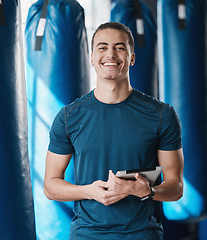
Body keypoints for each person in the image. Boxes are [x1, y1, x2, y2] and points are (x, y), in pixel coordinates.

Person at [44, 22, 184, 240]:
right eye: (102, 47)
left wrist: (148, 191)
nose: (111, 54)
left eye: (120, 47)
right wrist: (87, 191)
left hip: (142, 235)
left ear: (132, 57)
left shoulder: (161, 115)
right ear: (91, 58)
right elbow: (51, 186)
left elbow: (176, 187)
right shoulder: (68, 117)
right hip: (87, 235)